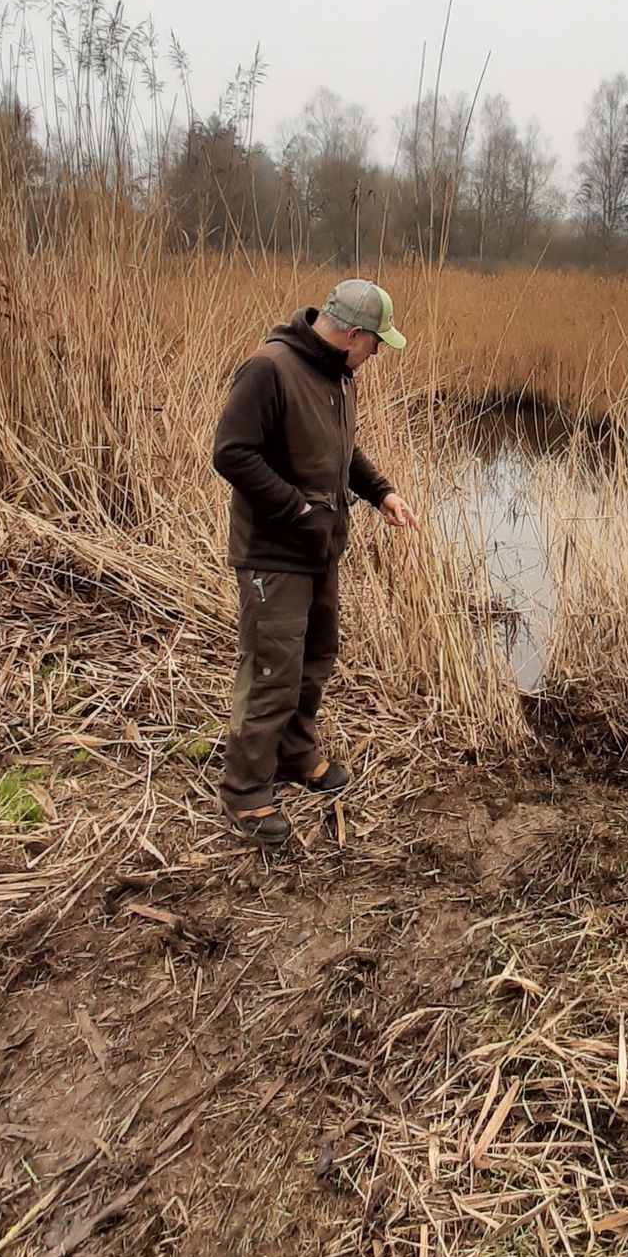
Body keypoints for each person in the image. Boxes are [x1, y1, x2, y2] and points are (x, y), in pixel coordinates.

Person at [210, 279, 418, 846]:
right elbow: (232, 453)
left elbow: (340, 451)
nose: (376, 354)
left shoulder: (339, 376)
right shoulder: (269, 369)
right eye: (375, 343)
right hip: (273, 554)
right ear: (352, 335)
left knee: (316, 655)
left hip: (320, 549)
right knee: (272, 669)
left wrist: (380, 492)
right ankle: (245, 791)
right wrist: (296, 508)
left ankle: (295, 753)